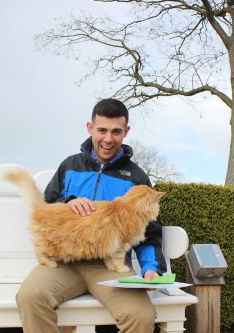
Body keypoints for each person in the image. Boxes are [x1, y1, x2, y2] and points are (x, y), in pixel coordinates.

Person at [16, 98, 167, 333]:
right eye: (102, 130)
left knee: (140, 315)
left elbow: (150, 234)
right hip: (66, 262)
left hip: (108, 266)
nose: (108, 139)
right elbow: (46, 207)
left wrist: (151, 269)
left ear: (126, 131)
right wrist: (68, 202)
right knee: (30, 297)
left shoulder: (136, 178)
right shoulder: (70, 165)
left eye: (116, 131)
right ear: (90, 128)